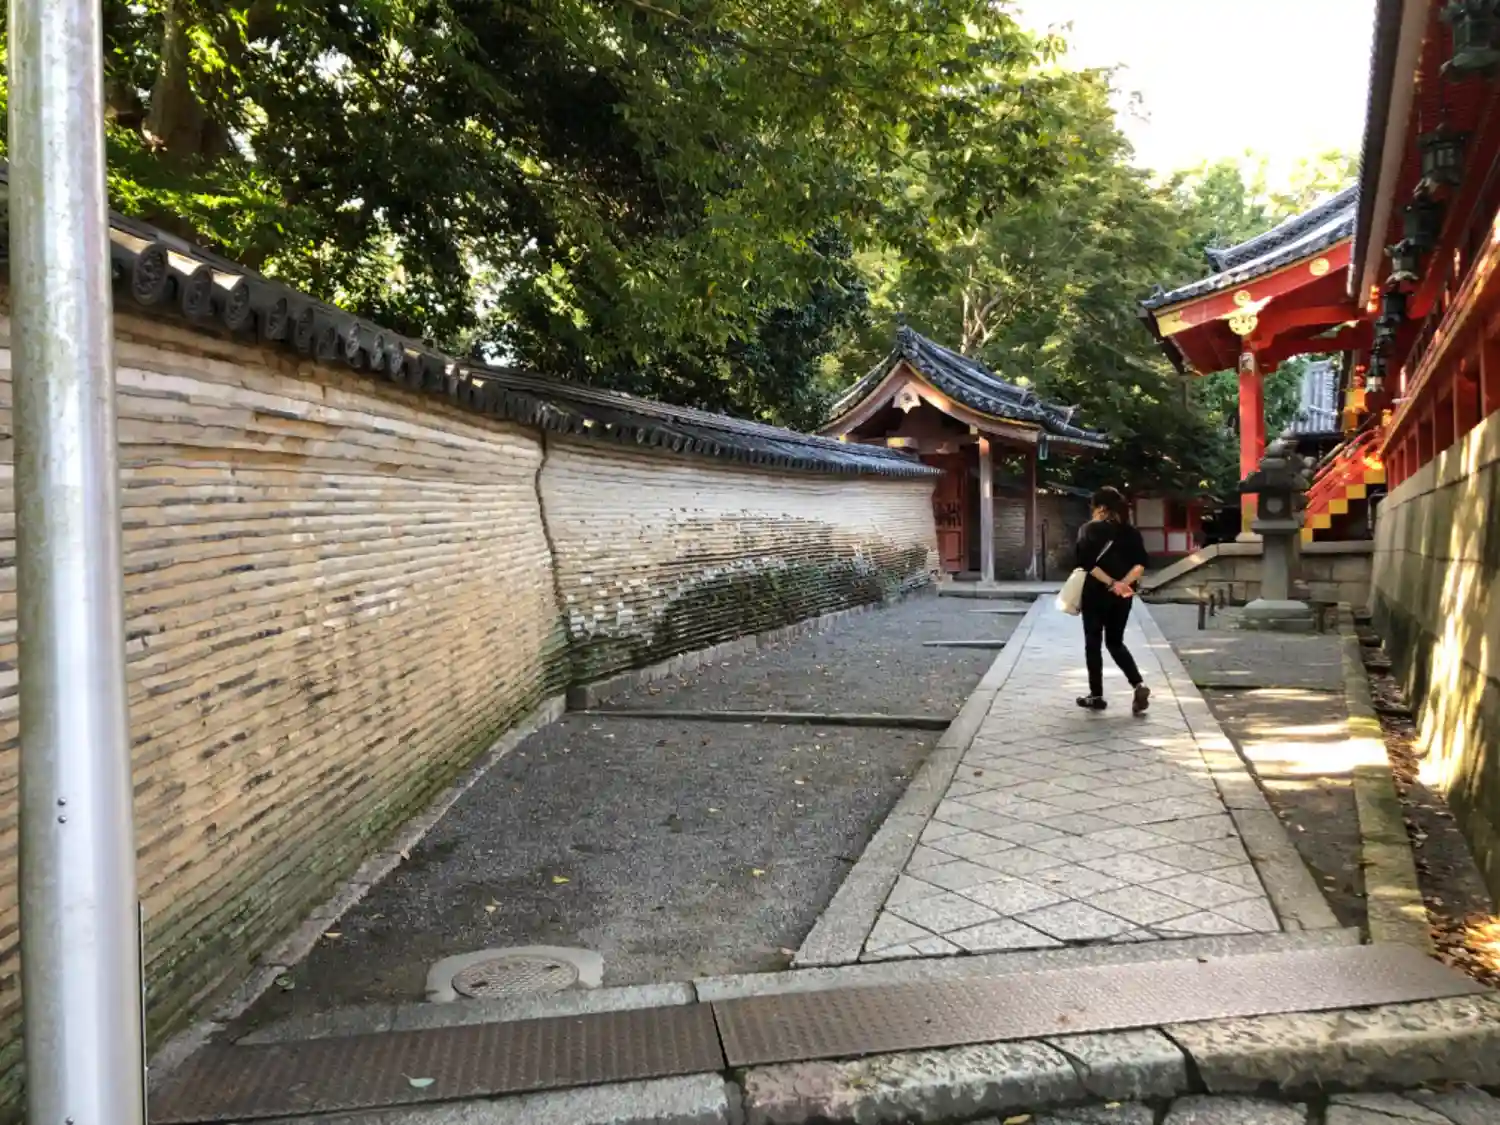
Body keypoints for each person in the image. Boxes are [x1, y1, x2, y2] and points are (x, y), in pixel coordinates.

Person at [1074, 486, 1151, 714]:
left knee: (1093, 642)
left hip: (1095, 594)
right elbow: (1141, 564)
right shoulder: (1132, 532)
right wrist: (1123, 584)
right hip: (1123, 596)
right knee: (1115, 642)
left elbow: (1086, 563)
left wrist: (1110, 583)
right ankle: (1138, 684)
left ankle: (1096, 695)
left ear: (1100, 507)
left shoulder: (1089, 530)